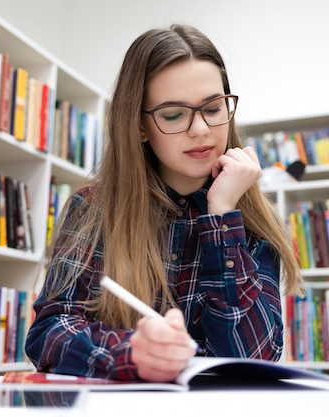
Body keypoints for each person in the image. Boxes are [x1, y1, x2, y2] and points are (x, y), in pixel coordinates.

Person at [25, 23, 304, 383]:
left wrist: (222, 217)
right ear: (139, 125)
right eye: (173, 114)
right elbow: (48, 333)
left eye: (214, 108)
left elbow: (253, 359)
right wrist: (132, 354)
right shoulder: (94, 209)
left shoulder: (251, 221)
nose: (201, 129)